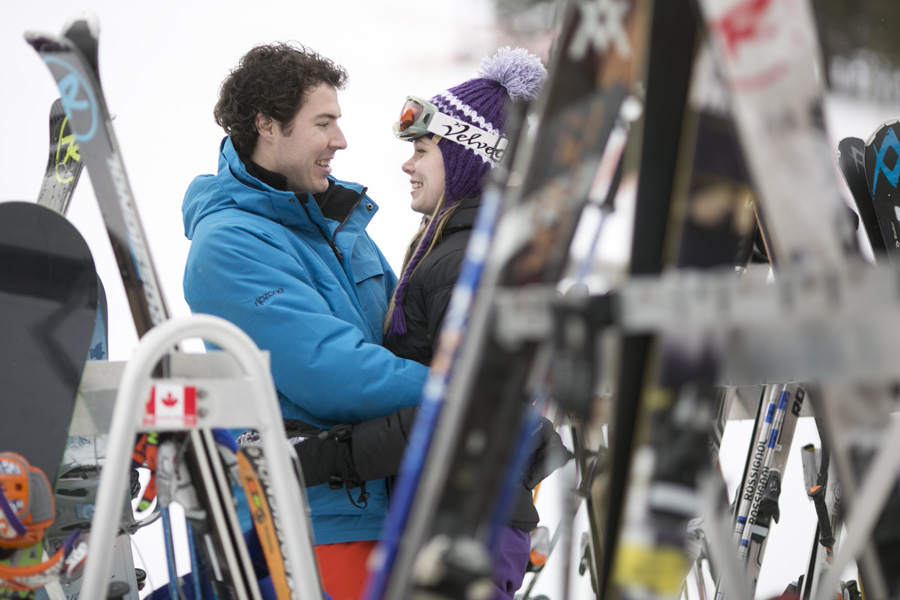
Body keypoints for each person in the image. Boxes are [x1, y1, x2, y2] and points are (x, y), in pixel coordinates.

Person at [293, 47, 555, 600]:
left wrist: (327, 457)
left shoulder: (469, 261)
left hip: (465, 525)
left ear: (469, 156)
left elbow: (463, 408)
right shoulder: (458, 250)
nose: (408, 164)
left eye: (423, 148)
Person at [180, 42, 428, 600]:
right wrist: (465, 395)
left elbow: (399, 336)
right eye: (324, 122)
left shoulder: (333, 227)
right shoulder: (230, 245)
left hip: (388, 503)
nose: (339, 140)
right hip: (314, 521)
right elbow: (333, 372)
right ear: (268, 125)